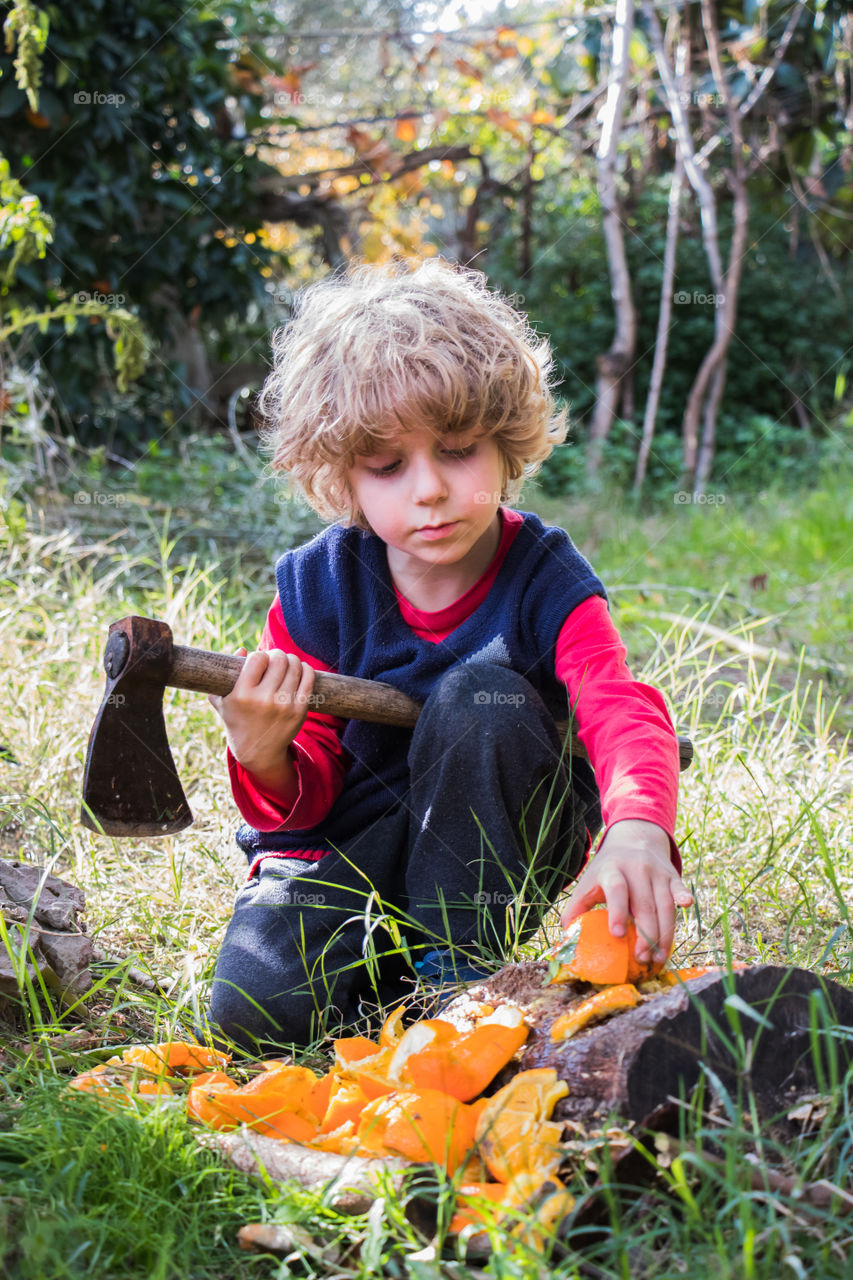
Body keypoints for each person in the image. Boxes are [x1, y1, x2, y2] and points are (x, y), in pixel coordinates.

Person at [207, 257, 693, 1053]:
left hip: (490, 839)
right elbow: (303, 794)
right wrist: (262, 755)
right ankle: (380, 977)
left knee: (481, 697)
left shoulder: (544, 578)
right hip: (353, 843)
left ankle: (452, 977)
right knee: (251, 1017)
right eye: (388, 466)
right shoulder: (318, 589)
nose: (428, 489)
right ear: (344, 477)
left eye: (459, 449)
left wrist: (636, 825)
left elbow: (616, 705)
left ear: (506, 446)